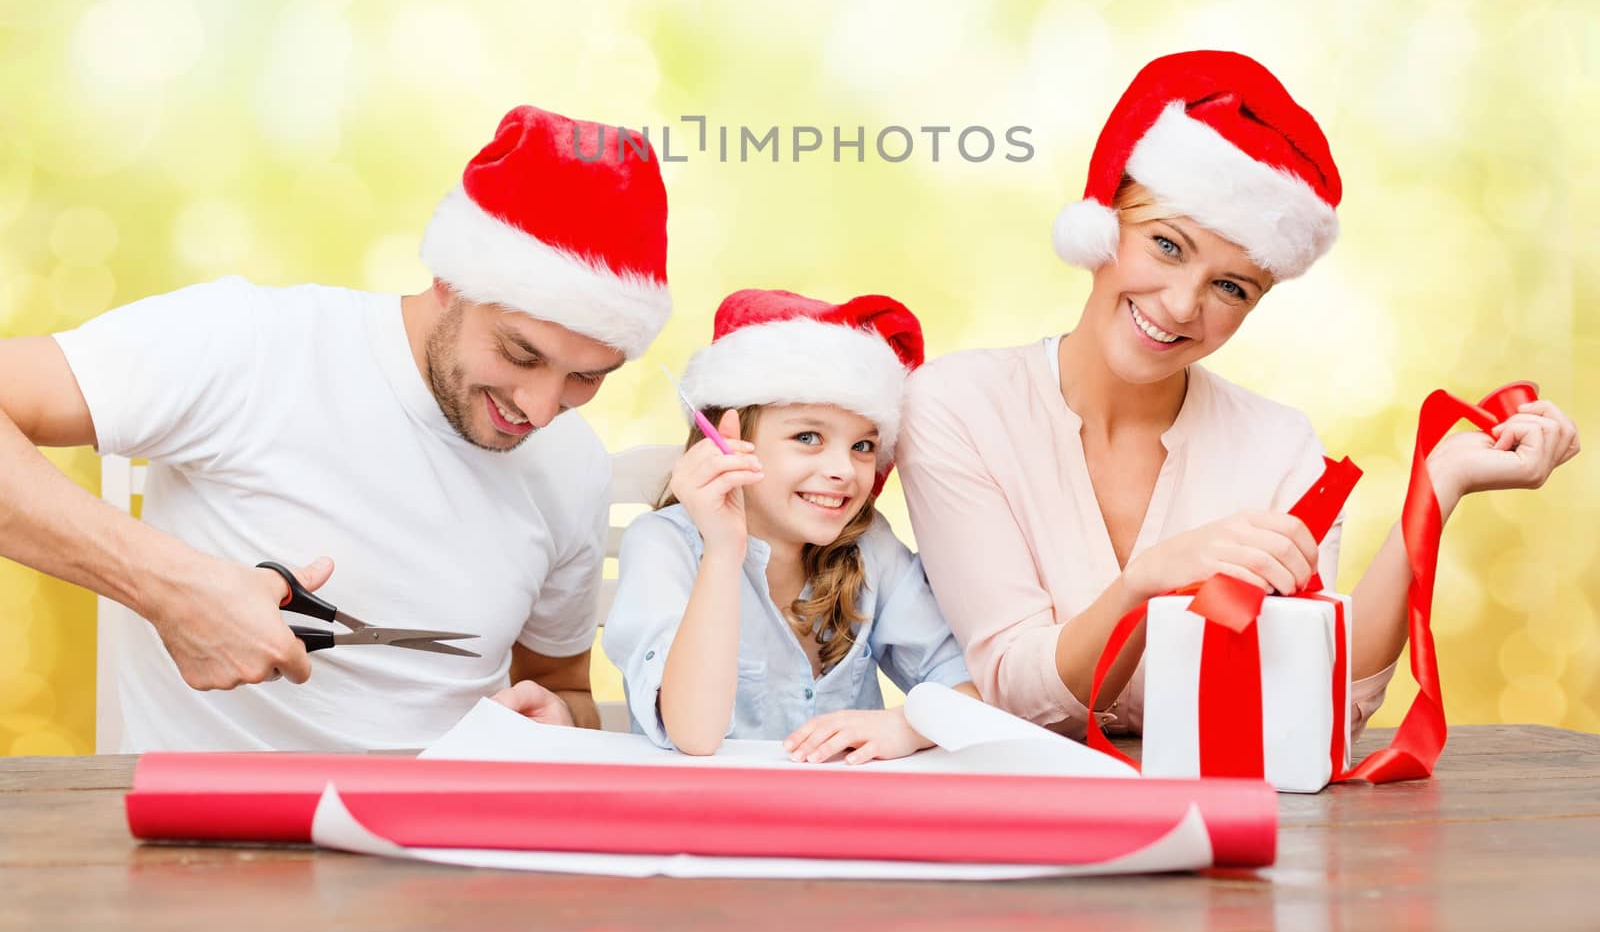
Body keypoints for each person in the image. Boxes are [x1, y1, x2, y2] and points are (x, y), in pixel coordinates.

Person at [896, 50, 1580, 740]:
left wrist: (1439, 486)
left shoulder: (1279, 448)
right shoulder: (956, 407)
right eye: (1167, 245)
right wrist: (1148, 580)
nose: (1182, 304)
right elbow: (1016, 691)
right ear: (1107, 224)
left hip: (1231, 822)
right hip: (1022, 821)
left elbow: (1320, 699)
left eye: (1231, 287)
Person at [0, 104, 672, 751]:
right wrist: (168, 585)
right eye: (521, 354)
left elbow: (560, 685)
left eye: (587, 377)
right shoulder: (249, 344)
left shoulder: (572, 464)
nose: (542, 408)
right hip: (211, 848)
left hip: (443, 849)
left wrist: (559, 718)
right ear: (449, 280)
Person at [605, 289, 976, 762]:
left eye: (863, 446)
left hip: (839, 822)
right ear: (726, 438)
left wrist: (908, 725)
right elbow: (694, 734)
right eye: (808, 437)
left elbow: (967, 686)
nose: (845, 469)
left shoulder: (869, 547)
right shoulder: (663, 545)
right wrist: (723, 552)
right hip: (702, 824)